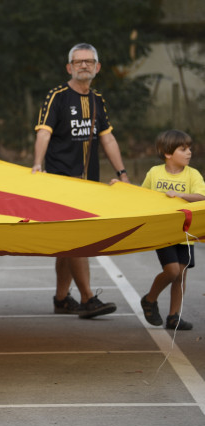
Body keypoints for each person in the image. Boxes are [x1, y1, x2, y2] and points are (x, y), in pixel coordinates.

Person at [32, 43, 128, 318]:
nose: (83, 65)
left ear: (97, 67)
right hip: (62, 183)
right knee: (78, 241)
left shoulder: (98, 100)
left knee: (67, 247)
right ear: (69, 67)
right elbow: (43, 133)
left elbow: (107, 138)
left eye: (89, 61)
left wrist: (122, 174)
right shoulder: (57, 96)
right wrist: (38, 165)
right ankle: (87, 298)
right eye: (78, 61)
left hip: (90, 184)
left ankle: (62, 299)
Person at [136, 130, 203, 331]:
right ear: (167, 153)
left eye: (189, 148)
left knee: (181, 275)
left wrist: (180, 195)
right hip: (163, 232)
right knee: (172, 271)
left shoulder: (193, 174)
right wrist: (120, 187)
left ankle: (174, 316)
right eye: (183, 149)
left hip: (185, 232)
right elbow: (141, 195)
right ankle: (149, 299)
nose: (189, 152)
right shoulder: (155, 173)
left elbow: (201, 196)